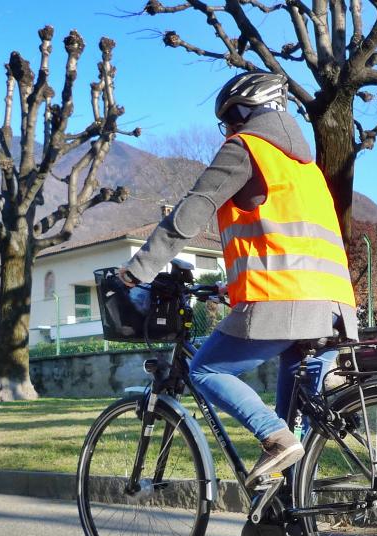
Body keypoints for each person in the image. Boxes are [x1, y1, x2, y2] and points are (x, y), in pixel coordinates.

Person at [119, 70, 358, 491]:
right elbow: (289, 241)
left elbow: (192, 212)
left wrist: (137, 270)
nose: (228, 130)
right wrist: (233, 285)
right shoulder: (306, 169)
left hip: (287, 302)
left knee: (205, 369)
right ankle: (296, 519)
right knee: (295, 430)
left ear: (245, 113)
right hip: (335, 309)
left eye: (230, 120)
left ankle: (275, 439)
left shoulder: (246, 148)